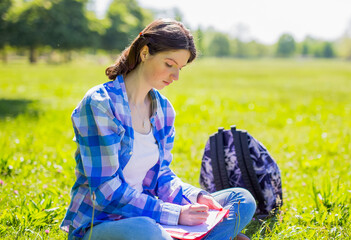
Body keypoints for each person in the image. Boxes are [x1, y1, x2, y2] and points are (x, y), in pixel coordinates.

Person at [60, 18, 256, 240]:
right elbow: (106, 193)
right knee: (149, 231)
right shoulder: (100, 104)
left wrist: (196, 197)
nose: (176, 76)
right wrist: (176, 214)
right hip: (103, 222)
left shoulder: (163, 110)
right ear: (144, 53)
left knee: (241, 200)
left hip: (152, 213)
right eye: (169, 64)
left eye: (180, 68)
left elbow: (161, 175)